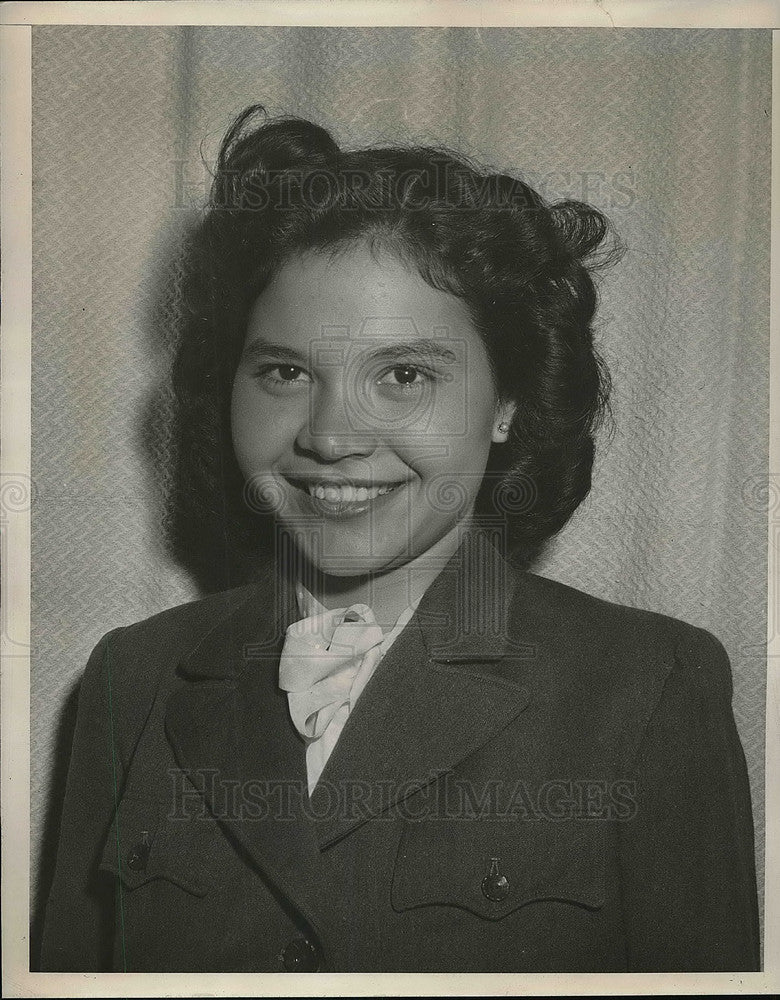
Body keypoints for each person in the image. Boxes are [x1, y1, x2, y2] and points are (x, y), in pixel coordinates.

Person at [39, 105, 760, 973]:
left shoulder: (648, 688)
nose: (332, 436)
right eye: (285, 371)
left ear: (507, 404)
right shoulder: (132, 680)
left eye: (405, 374)